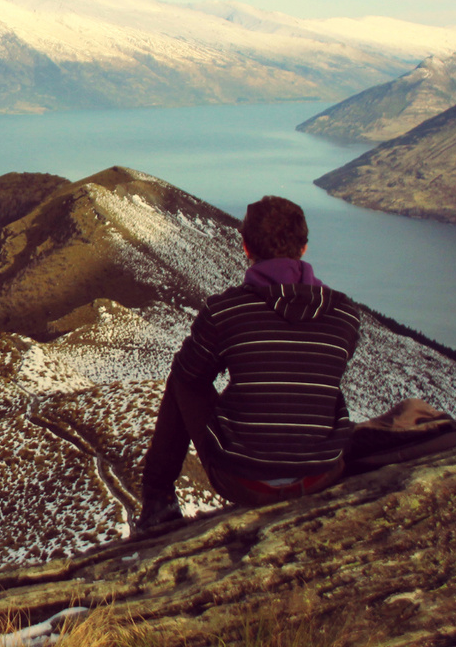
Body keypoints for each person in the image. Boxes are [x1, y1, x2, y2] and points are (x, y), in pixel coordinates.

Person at [134, 195, 361, 535]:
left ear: (244, 247)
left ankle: (158, 499)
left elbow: (190, 376)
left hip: (245, 481)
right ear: (304, 248)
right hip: (321, 474)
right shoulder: (344, 314)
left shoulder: (226, 312)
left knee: (184, 377)